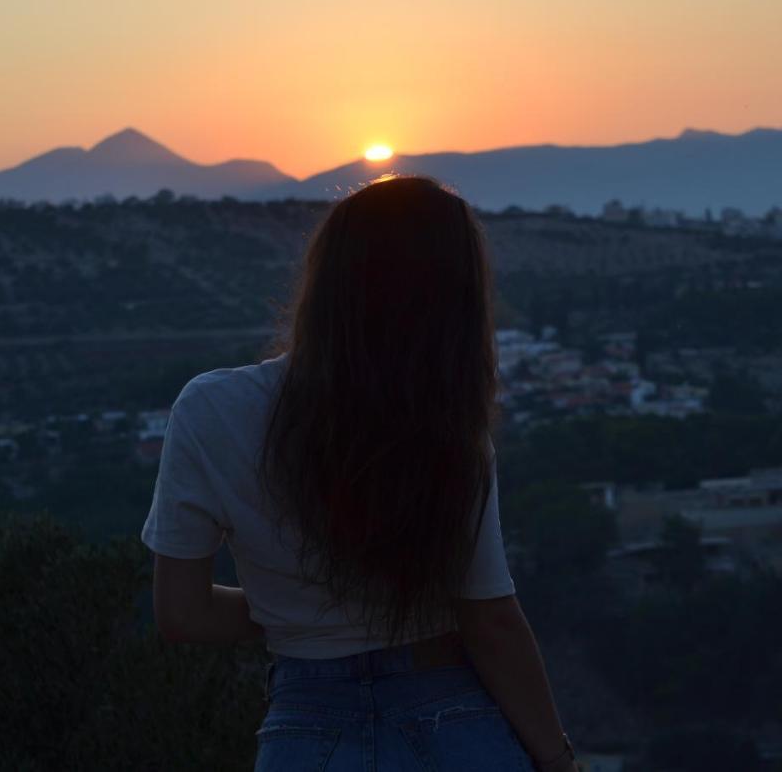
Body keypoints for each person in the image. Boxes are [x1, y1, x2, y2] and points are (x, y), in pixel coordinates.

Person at [144, 176, 580, 772]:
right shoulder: (445, 422)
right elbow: (490, 620)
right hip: (452, 722)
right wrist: (559, 761)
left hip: (304, 731)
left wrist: (295, 607)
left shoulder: (210, 409)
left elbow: (182, 614)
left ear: (325, 279)